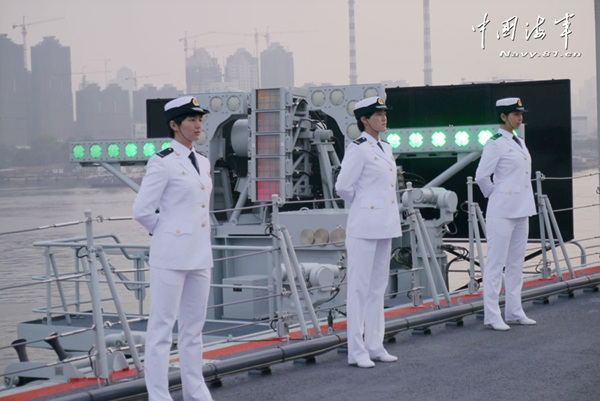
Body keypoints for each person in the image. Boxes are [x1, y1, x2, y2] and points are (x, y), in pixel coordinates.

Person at [133, 96, 214, 400]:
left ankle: (196, 391)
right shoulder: (162, 161)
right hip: (170, 254)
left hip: (200, 254)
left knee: (193, 330)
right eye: (191, 120)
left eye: (200, 119)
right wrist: (167, 232)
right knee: (161, 330)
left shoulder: (202, 161)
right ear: (174, 125)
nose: (198, 125)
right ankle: (159, 395)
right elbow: (142, 210)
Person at [335, 96, 402, 368]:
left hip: (384, 224)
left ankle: (375, 345)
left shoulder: (385, 147)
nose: (383, 118)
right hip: (364, 226)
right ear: (364, 119)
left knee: (377, 289)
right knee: (359, 290)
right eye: (377, 114)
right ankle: (357, 351)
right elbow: (342, 187)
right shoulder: (358, 149)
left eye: (384, 113)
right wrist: (365, 204)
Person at [475, 97, 538, 331]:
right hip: (502, 211)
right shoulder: (495, 143)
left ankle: (514, 311)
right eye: (515, 114)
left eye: (521, 114)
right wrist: (496, 194)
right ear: (503, 117)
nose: (520, 118)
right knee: (496, 264)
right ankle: (492, 315)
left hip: (522, 208)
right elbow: (482, 176)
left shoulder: (519, 141)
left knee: (515, 264)